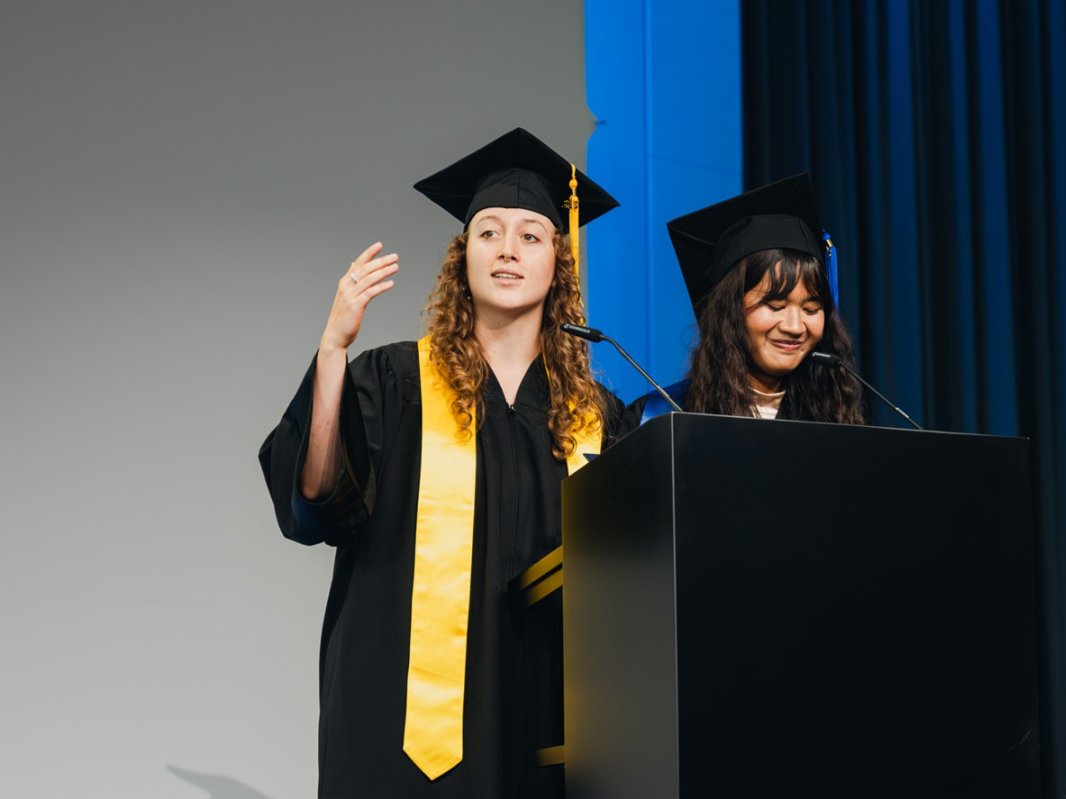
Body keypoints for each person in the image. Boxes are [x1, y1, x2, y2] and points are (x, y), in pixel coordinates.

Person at [258, 128, 622, 799]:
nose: (507, 249)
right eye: (488, 232)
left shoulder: (598, 417)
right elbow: (313, 499)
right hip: (404, 734)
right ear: (463, 258)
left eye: (530, 235)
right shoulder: (393, 383)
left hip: (552, 727)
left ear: (557, 265)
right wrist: (333, 349)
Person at [629, 174, 866, 424]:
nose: (795, 327)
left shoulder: (839, 420)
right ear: (728, 312)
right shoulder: (662, 419)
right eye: (776, 306)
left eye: (811, 309)